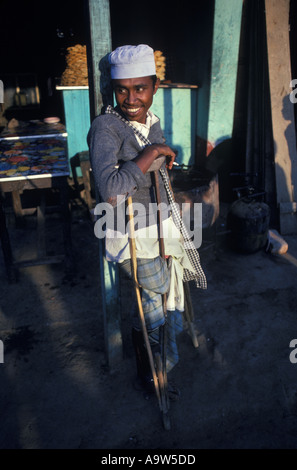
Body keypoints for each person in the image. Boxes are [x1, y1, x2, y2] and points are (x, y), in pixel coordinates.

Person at [88, 44, 206, 396]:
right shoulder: (106, 127)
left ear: (156, 86)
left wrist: (160, 156)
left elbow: (158, 167)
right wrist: (151, 154)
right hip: (130, 236)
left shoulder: (149, 121)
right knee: (158, 295)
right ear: (113, 90)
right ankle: (155, 366)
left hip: (159, 228)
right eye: (122, 89)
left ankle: (159, 362)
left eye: (140, 88)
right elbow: (110, 190)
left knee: (164, 296)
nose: (131, 98)